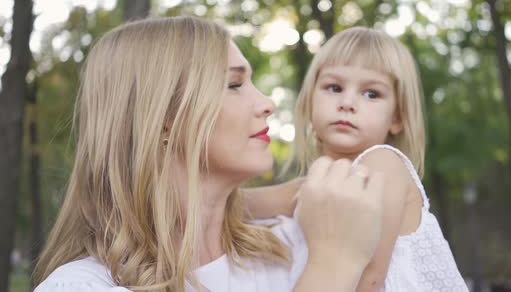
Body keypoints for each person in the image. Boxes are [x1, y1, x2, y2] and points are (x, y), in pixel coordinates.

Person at [33, 17, 387, 292]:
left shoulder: (289, 245)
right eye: (234, 84)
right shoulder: (82, 285)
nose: (266, 103)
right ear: (164, 120)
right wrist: (334, 265)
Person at [249, 27, 469, 291]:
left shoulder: (383, 165)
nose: (348, 102)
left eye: (371, 94)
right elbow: (233, 204)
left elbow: (369, 280)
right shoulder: (313, 187)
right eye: (334, 87)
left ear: (397, 118)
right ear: (309, 103)